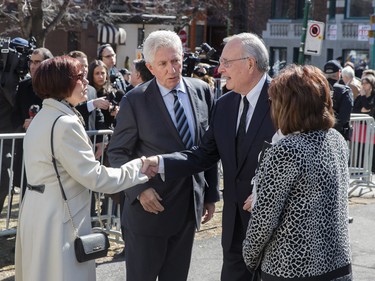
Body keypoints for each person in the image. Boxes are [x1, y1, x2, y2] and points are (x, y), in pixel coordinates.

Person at [142, 32, 276, 281]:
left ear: (249, 63)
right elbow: (203, 154)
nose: (220, 70)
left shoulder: (284, 100)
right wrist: (161, 163)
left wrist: (266, 193)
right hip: (235, 228)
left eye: (226, 63)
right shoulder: (225, 105)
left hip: (274, 229)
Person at [14, 56, 151, 281]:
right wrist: (138, 169)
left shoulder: (43, 117)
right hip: (59, 219)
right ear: (62, 83)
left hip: (38, 212)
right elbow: (96, 178)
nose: (86, 82)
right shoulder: (64, 123)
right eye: (79, 78)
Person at [106, 30, 220, 281]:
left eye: (176, 60)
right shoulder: (135, 100)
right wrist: (139, 190)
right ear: (150, 67)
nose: (172, 69)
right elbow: (117, 153)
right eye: (163, 64)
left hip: (188, 209)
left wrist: (210, 194)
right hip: (149, 213)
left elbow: (208, 147)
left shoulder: (202, 91)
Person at [242, 64, 352, 281]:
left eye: (273, 101)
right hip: (337, 266)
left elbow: (263, 220)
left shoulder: (287, 150)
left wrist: (249, 256)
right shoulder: (336, 139)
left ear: (287, 105)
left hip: (291, 269)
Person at [11, 47, 54, 196]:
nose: (33, 66)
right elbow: (15, 115)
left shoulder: (56, 88)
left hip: (49, 152)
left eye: (38, 62)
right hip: (27, 151)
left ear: (47, 63)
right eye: (31, 62)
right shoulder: (23, 87)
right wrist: (24, 123)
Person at [87, 59, 123, 130]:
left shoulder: (115, 93)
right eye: (97, 73)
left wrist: (116, 113)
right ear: (91, 75)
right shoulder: (87, 92)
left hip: (109, 133)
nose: (100, 76)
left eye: (103, 73)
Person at [323, 60, 353, 140]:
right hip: (337, 136)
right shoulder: (345, 91)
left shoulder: (317, 89)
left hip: (318, 134)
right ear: (339, 73)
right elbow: (344, 117)